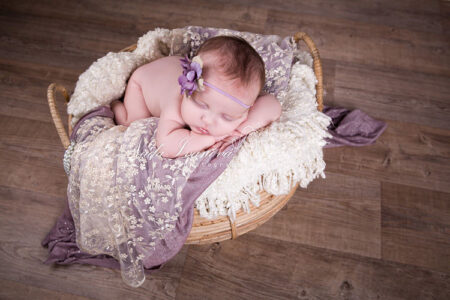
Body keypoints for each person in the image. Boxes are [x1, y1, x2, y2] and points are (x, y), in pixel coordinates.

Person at [111, 35, 282, 158]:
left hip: (167, 69)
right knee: (134, 122)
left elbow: (273, 106)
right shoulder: (175, 105)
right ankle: (118, 108)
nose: (208, 121)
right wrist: (211, 139)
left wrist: (237, 133)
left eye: (228, 117)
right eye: (201, 105)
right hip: (143, 83)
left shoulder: (238, 101)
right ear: (186, 89)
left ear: (247, 111)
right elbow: (166, 147)